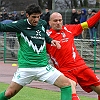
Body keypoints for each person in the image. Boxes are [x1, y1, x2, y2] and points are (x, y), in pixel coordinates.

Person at [0, 3, 72, 100]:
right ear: (27, 15)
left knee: (66, 84)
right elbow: (2, 27)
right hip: (26, 68)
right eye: (34, 17)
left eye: (38, 17)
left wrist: (51, 41)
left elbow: (44, 35)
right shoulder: (20, 24)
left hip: (43, 67)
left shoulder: (42, 24)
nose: (36, 20)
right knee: (9, 93)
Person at [46, 12, 100, 100]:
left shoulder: (69, 29)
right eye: (55, 21)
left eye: (60, 20)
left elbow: (88, 24)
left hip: (80, 66)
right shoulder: (46, 36)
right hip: (65, 70)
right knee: (72, 95)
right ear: (50, 22)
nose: (58, 22)